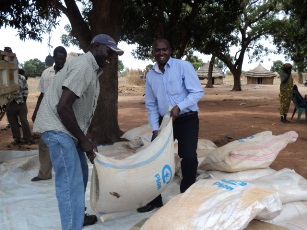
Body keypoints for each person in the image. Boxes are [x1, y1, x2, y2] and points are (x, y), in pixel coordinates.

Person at [33, 34, 124, 229]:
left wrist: (86, 141)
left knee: (81, 174)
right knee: (69, 183)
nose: (111, 57)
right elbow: (63, 107)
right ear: (96, 46)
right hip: (57, 129)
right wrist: (83, 140)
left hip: (67, 130)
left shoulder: (92, 69)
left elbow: (76, 111)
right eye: (109, 52)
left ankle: (77, 217)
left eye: (114, 54)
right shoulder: (84, 66)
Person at [137, 39, 204, 213]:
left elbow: (197, 91)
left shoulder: (183, 67)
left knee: (189, 157)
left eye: (164, 49)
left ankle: (186, 196)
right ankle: (155, 199)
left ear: (170, 50)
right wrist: (154, 129)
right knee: (155, 158)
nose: (161, 53)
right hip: (165, 122)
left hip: (187, 119)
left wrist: (179, 106)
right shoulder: (151, 75)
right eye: (157, 50)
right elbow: (151, 105)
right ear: (153, 52)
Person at [31, 46, 67, 182]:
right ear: (54, 57)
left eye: (63, 59)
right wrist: (36, 111)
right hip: (47, 113)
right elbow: (42, 94)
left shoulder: (68, 73)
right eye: (58, 59)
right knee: (44, 143)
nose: (60, 62)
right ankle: (44, 173)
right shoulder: (46, 73)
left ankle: (65, 175)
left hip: (63, 113)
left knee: (64, 143)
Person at [6, 68, 34, 145]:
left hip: (21, 102)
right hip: (10, 103)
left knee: (24, 121)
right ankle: (16, 138)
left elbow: (25, 90)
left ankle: (27, 138)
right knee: (13, 122)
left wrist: (24, 101)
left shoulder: (22, 78)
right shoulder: (5, 78)